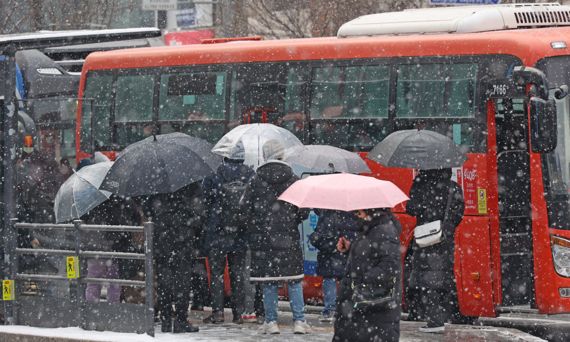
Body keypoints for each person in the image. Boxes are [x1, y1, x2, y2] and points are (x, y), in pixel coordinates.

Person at [240, 140, 310, 335]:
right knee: (294, 281)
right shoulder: (293, 179)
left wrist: (257, 226)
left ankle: (271, 321)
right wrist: (291, 219)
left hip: (263, 240)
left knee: (269, 281)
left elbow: (244, 210)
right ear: (282, 155)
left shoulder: (255, 180)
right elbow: (304, 211)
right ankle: (299, 321)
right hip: (288, 238)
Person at [406, 168, 465, 333]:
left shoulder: (420, 184)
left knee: (426, 279)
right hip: (444, 238)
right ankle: (445, 315)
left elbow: (411, 209)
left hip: (425, 238)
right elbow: (459, 213)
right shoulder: (454, 187)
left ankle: (434, 321)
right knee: (444, 277)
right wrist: (447, 228)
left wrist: (425, 208)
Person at [333, 208, 402, 342]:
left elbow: (389, 266)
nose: (356, 216)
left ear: (371, 211)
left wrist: (361, 281)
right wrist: (350, 249)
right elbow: (370, 257)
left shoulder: (384, 231)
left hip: (373, 306)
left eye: (359, 213)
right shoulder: (372, 229)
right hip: (364, 307)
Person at [144, 182, 203, 334]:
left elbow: (147, 210)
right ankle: (180, 321)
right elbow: (199, 215)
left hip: (162, 241)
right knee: (182, 283)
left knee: (165, 283)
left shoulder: (155, 185)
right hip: (182, 242)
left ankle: (165, 321)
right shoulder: (190, 184)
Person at [201, 157, 255, 324]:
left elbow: (205, 201)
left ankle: (218, 313)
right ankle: (238, 313)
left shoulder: (214, 174)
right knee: (237, 274)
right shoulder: (250, 175)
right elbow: (253, 204)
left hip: (217, 232)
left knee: (216, 274)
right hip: (240, 233)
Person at [308, 210, 356, 322]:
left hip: (329, 255)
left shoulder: (327, 212)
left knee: (329, 278)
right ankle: (347, 310)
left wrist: (315, 238)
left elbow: (319, 237)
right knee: (347, 280)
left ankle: (330, 310)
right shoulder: (353, 212)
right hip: (347, 254)